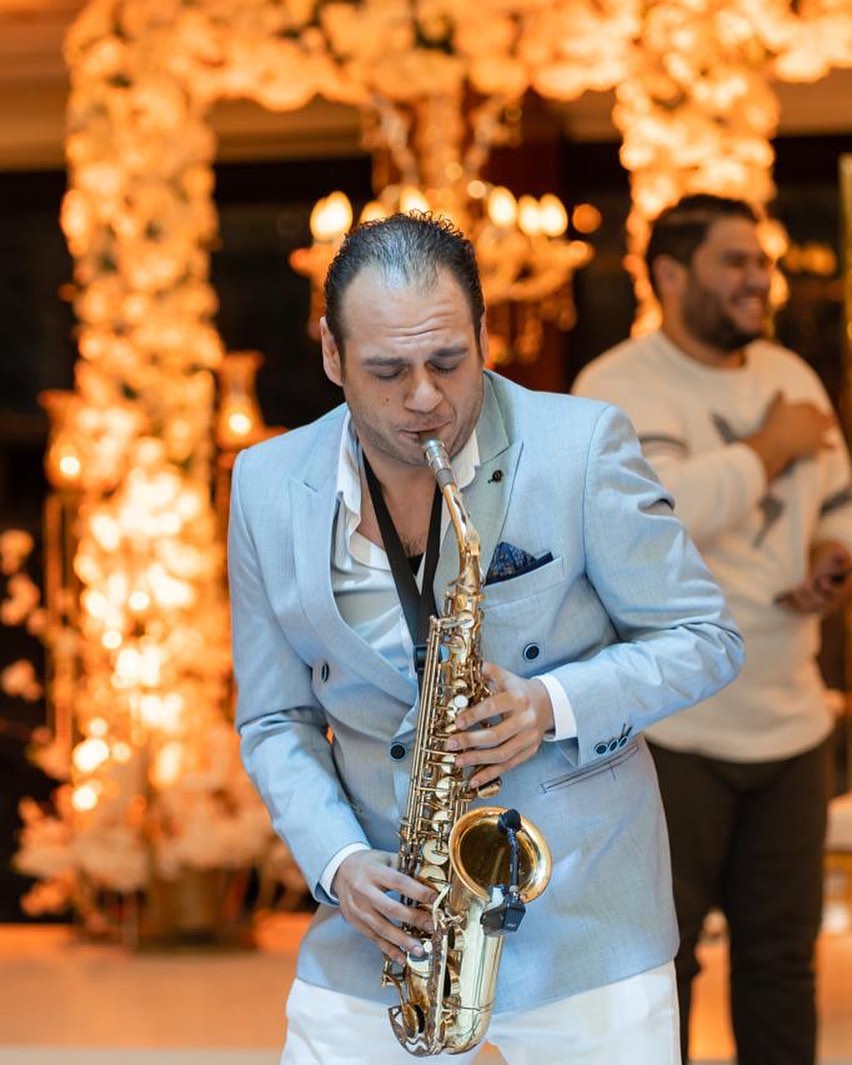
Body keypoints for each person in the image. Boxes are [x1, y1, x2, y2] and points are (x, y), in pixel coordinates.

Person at [228, 212, 743, 1065]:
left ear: (483, 336)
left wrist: (551, 704)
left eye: (448, 361)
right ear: (332, 353)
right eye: (387, 370)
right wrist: (340, 860)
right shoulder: (265, 483)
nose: (424, 397)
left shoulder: (582, 447)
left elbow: (704, 635)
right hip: (384, 929)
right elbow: (274, 717)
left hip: (585, 919)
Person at [573, 193, 852, 1065]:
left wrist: (834, 556)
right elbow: (659, 519)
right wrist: (772, 446)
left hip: (792, 720)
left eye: (762, 261)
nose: (759, 278)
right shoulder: (615, 387)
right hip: (668, 729)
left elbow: (839, 502)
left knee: (782, 965)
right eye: (735, 261)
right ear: (668, 273)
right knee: (661, 966)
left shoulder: (792, 378)